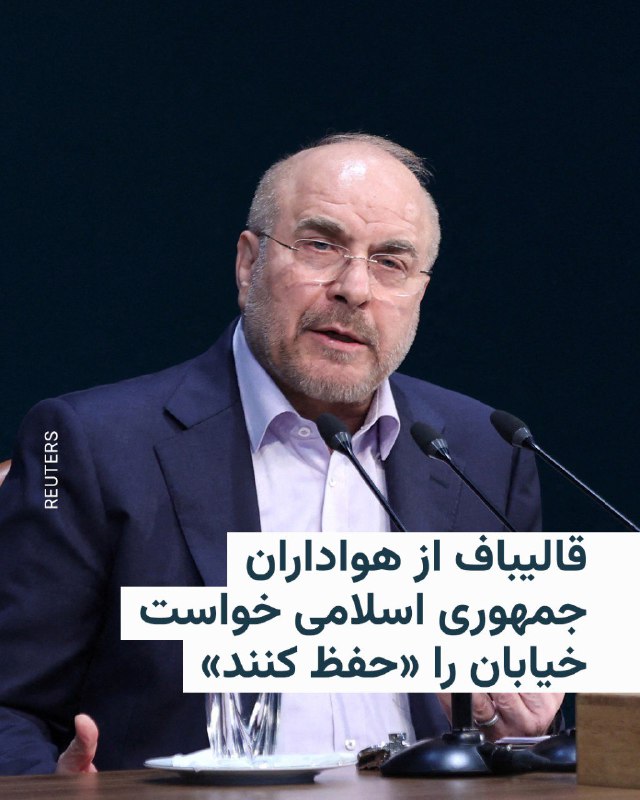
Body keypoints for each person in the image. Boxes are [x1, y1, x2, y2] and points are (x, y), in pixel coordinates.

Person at [0, 133, 562, 775]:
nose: (354, 288)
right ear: (249, 263)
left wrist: (515, 734)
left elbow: (523, 721)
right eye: (320, 245)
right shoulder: (89, 442)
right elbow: (9, 706)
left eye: (391, 262)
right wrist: (56, 792)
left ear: (420, 293)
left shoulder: (485, 451)